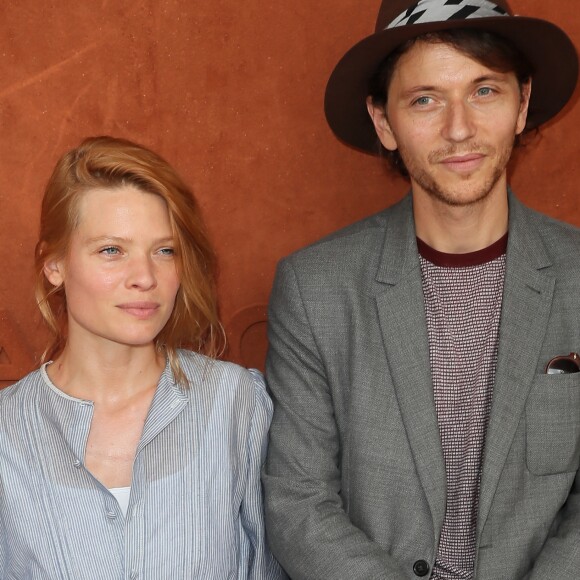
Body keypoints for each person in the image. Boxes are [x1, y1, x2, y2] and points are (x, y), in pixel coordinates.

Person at [263, 1, 580, 579]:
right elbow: (298, 503)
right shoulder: (316, 289)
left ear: (523, 103)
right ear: (384, 122)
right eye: (425, 99)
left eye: (484, 91)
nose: (459, 128)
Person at [0, 136, 285, 579]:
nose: (145, 277)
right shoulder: (6, 432)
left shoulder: (236, 401)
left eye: (164, 251)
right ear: (54, 264)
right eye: (111, 250)